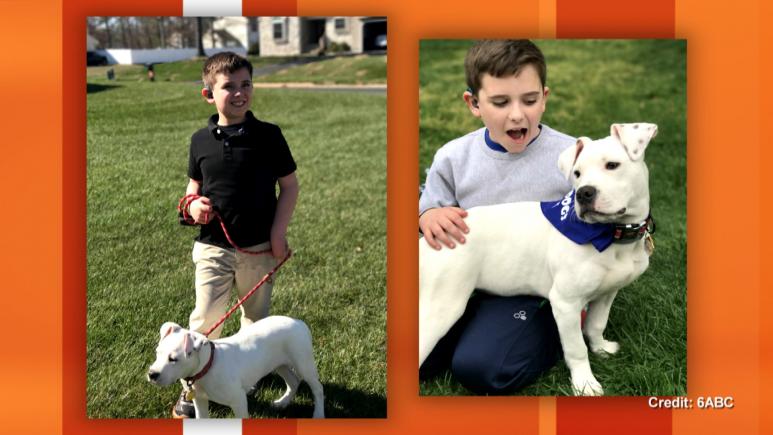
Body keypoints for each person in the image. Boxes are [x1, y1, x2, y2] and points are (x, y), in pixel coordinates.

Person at [419, 40, 573, 394]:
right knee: (418, 358)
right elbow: (430, 208)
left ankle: (549, 331)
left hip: (532, 289)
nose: (518, 115)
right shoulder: (453, 157)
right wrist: (429, 213)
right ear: (473, 103)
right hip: (464, 278)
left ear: (545, 97)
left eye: (530, 100)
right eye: (501, 102)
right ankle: (470, 322)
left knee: (482, 368)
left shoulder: (571, 156)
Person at [173, 51, 299, 417]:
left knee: (256, 320)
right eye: (229, 86)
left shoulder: (269, 136)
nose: (240, 92)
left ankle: (246, 373)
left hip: (258, 248)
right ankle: (194, 388)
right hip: (212, 248)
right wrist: (193, 207)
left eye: (246, 84)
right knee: (204, 321)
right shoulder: (200, 140)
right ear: (209, 94)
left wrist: (278, 234)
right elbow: (190, 191)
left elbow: (289, 187)